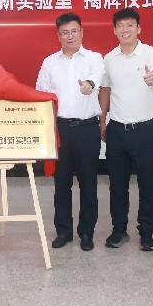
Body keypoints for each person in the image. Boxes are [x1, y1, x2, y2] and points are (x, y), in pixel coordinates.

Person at [35, 13, 104, 251]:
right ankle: (63, 231)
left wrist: (89, 85)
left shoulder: (94, 58)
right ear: (58, 36)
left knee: (88, 183)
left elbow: (95, 78)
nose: (70, 36)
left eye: (74, 31)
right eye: (65, 32)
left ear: (82, 32)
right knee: (61, 184)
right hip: (61, 129)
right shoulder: (49, 63)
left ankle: (86, 232)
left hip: (87, 129)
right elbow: (42, 95)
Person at [98, 8, 153, 251]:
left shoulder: (150, 52)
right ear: (114, 30)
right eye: (121, 26)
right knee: (117, 184)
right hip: (117, 129)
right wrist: (102, 120)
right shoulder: (109, 58)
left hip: (145, 129)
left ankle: (146, 233)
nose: (125, 30)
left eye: (130, 25)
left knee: (148, 184)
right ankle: (119, 230)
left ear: (138, 28)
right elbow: (105, 90)